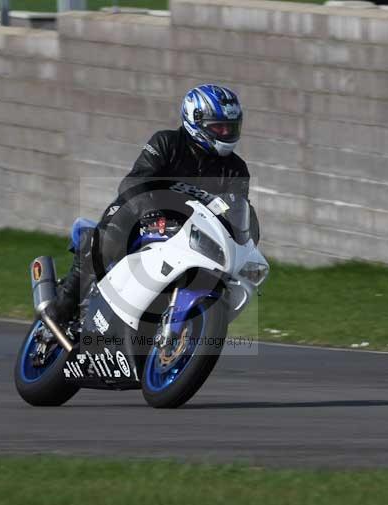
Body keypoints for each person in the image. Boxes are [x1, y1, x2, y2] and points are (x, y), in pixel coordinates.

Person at [45, 84, 259, 327]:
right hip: (139, 213)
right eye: (218, 127)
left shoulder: (236, 169)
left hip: (187, 232)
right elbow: (135, 182)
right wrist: (149, 211)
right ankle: (62, 307)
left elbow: (237, 211)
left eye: (230, 128)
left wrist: (246, 237)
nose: (225, 133)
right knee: (106, 240)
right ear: (195, 120)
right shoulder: (167, 142)